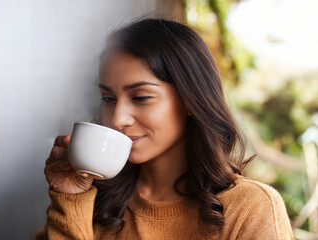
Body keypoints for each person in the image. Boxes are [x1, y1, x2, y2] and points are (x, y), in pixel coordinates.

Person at [35, 18, 293, 239]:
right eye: (108, 99)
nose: (117, 119)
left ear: (191, 99)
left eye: (140, 97)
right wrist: (68, 198)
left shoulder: (251, 208)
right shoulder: (88, 201)